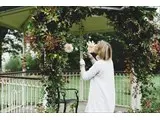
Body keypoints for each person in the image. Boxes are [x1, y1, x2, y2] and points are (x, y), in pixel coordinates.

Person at [80, 40, 115, 113]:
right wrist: (91, 57)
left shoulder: (99, 64)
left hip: (98, 102)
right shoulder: (109, 62)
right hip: (107, 101)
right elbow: (99, 67)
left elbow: (85, 76)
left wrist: (82, 66)